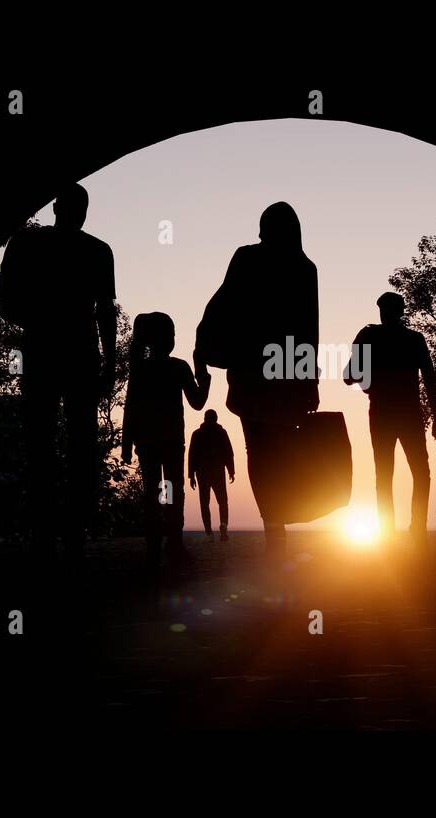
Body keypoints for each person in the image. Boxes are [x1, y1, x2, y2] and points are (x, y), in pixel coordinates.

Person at [0, 183, 116, 559]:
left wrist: (39, 319)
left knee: (45, 443)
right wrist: (109, 360)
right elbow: (105, 311)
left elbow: (7, 301)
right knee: (73, 444)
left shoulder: (28, 244)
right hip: (72, 352)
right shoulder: (95, 251)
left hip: (47, 351)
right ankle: (67, 531)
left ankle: (50, 532)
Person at [194, 202, 319, 554]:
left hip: (254, 375)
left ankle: (273, 524)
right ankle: (277, 519)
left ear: (265, 229)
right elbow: (310, 330)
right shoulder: (304, 268)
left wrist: (202, 348)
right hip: (287, 375)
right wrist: (310, 384)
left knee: (260, 451)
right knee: (278, 452)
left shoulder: (248, 258)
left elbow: (220, 304)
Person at [344, 292, 436, 547]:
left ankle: (394, 531)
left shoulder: (369, 336)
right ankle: (414, 530)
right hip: (406, 413)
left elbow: (349, 375)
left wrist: (366, 376)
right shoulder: (412, 339)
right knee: (419, 473)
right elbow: (429, 378)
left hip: (385, 413)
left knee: (388, 473)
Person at [122, 312, 210, 565]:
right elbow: (198, 402)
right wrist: (202, 374)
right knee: (171, 492)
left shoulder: (141, 369)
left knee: (152, 492)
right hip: (170, 442)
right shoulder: (178, 367)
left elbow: (131, 407)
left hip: (149, 443)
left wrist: (128, 443)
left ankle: (157, 545)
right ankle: (172, 542)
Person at [188, 409, 235, 541]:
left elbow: (192, 456)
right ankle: (223, 525)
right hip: (218, 472)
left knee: (204, 503)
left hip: (202, 473)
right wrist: (231, 470)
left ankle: (209, 533)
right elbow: (229, 453)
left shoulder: (197, 434)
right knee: (223, 501)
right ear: (216, 418)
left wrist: (191, 475)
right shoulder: (221, 433)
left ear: (205, 418)